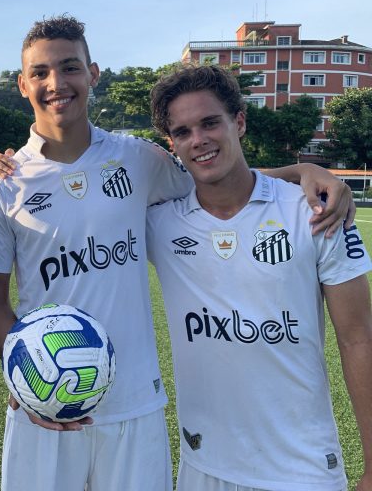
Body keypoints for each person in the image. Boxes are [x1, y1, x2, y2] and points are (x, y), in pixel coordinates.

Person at [0, 15, 355, 491]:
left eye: (70, 67)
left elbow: (217, 175)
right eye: (41, 73)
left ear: (93, 74)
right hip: (47, 405)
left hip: (136, 404)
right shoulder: (0, 184)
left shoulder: (138, 158)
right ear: (22, 84)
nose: (57, 83)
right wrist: (26, 382)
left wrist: (300, 170)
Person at [146, 64, 372, 491]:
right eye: (183, 131)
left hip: (302, 468)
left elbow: (359, 338)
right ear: (172, 144)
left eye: (210, 123)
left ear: (240, 121)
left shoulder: (316, 212)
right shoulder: (161, 221)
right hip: (204, 465)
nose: (199, 140)